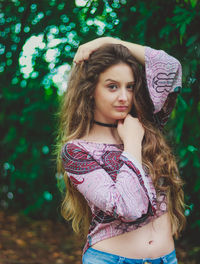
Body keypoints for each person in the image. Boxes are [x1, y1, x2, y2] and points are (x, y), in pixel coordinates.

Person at [56, 37, 186, 264]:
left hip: (167, 259)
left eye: (130, 86)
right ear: (90, 91)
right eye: (112, 86)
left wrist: (110, 41)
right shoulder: (76, 151)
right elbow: (129, 208)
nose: (124, 97)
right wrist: (133, 144)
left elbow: (171, 68)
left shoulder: (147, 123)